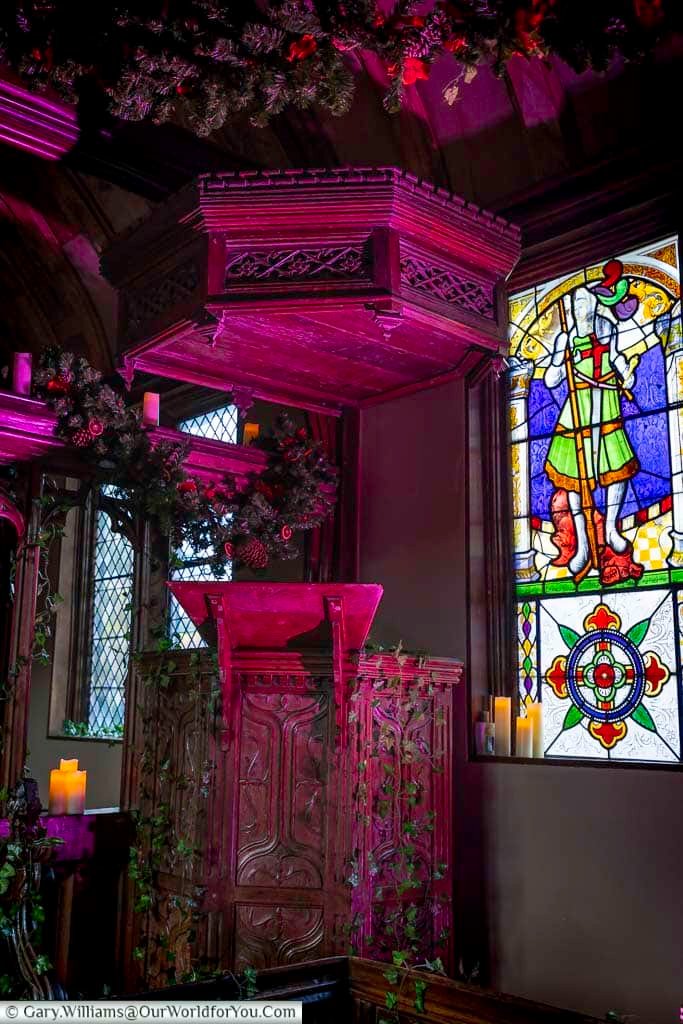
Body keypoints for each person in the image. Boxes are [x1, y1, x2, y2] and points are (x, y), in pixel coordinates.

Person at [544, 284, 639, 577]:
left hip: (606, 403)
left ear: (595, 305)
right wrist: (559, 356)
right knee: (574, 478)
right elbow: (551, 380)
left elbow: (615, 357)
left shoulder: (607, 328)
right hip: (577, 409)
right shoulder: (566, 338)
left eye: (583, 303)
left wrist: (626, 374)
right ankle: (583, 545)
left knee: (616, 467)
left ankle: (611, 528)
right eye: (575, 304)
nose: (578, 309)